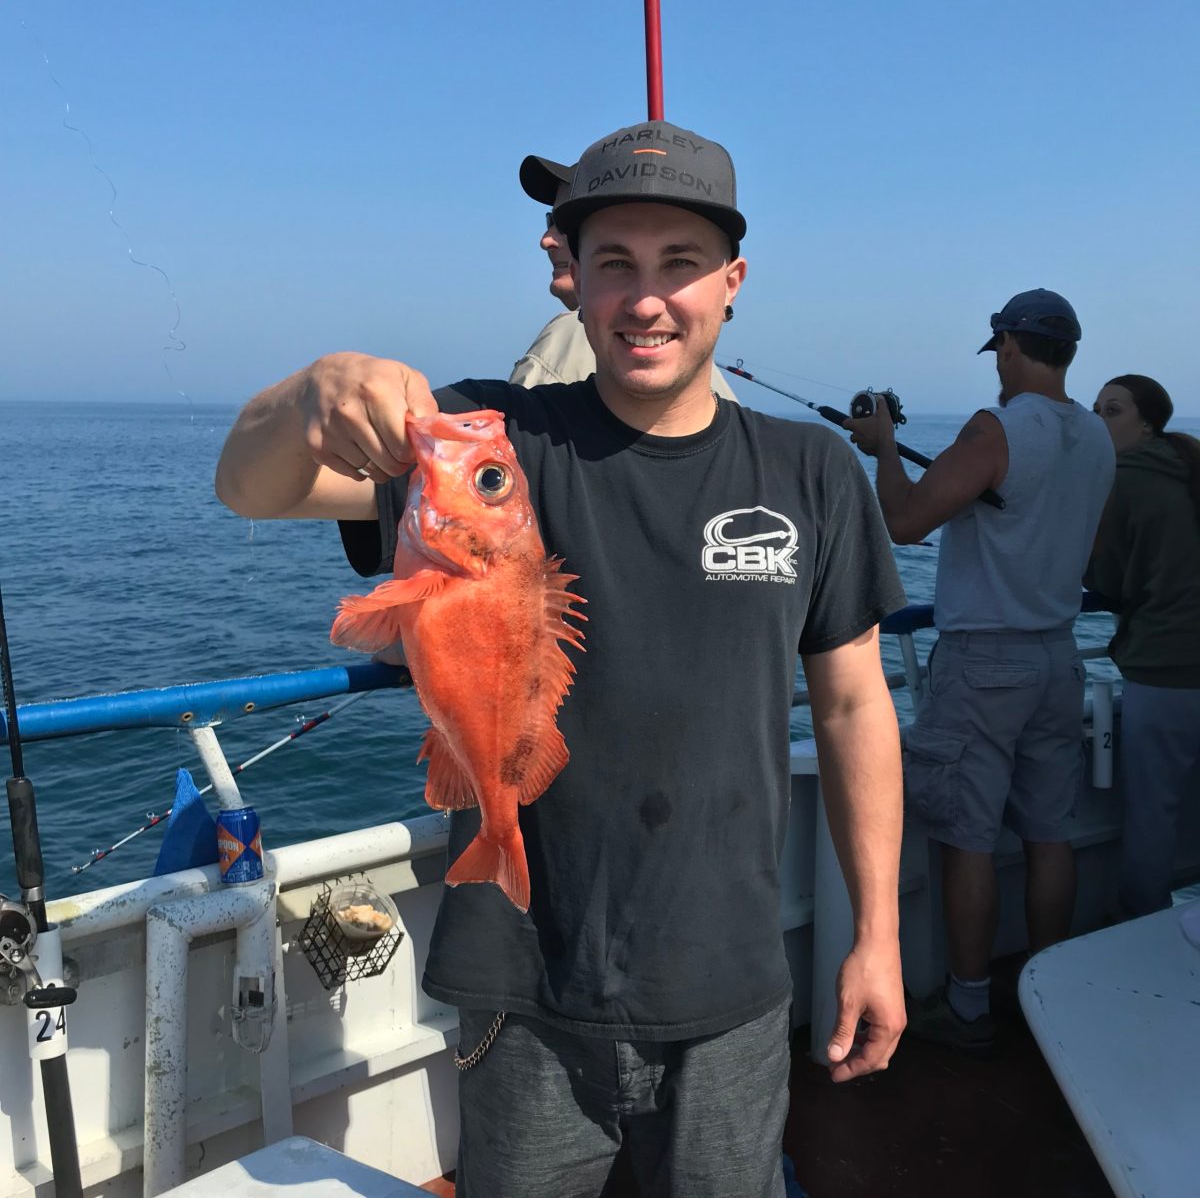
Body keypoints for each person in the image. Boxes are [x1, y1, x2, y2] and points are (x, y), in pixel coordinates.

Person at [216, 118, 907, 1198]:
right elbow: (248, 490)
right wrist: (308, 395)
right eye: (615, 264)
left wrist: (877, 934)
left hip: (734, 980)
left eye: (680, 265)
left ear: (732, 283)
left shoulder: (812, 471)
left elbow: (858, 706)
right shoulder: (494, 448)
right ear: (569, 282)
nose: (647, 299)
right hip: (523, 985)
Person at [845, 288, 1115, 1050]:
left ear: (1008, 344)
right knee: (1048, 831)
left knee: (968, 834)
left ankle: (968, 1008)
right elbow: (1075, 545)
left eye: (998, 347)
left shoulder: (997, 426)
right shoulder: (1095, 436)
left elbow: (903, 520)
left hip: (983, 662)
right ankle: (1048, 992)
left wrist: (886, 448)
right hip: (1058, 656)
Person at [1085, 374, 1200, 917]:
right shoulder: (1192, 465)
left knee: (1153, 816)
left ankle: (1140, 940)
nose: (1099, 420)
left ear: (1147, 421)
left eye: (1112, 411)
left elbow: (1105, 578)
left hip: (1165, 669)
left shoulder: (1121, 479)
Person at [509, 153, 738, 401]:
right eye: (550, 220)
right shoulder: (694, 365)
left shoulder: (563, 343)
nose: (547, 241)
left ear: (731, 283)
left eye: (566, 225)